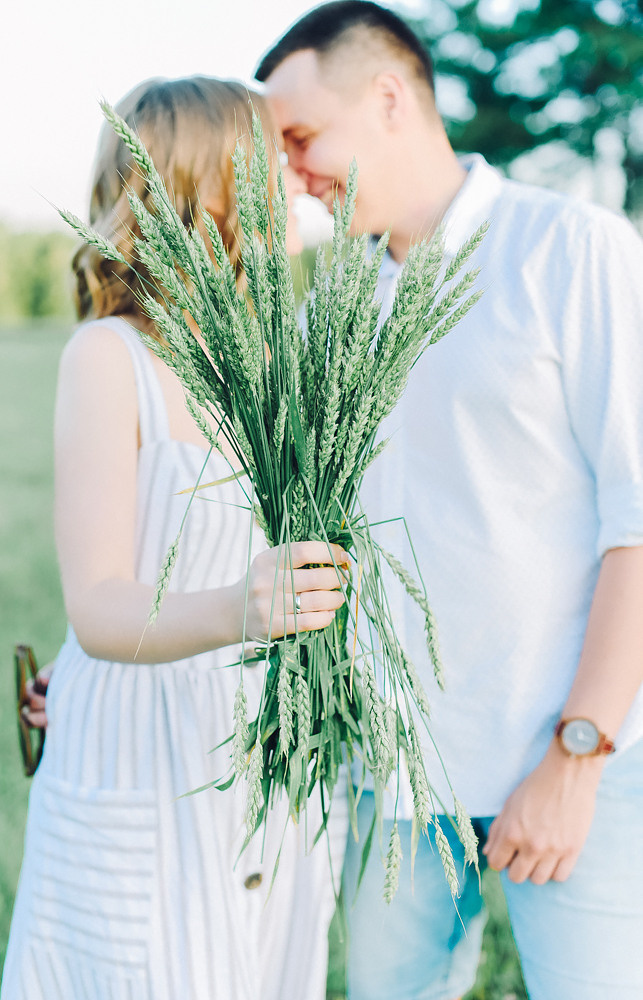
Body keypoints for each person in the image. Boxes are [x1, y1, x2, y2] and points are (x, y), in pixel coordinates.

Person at [255, 4, 643, 1000]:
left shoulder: (571, 248)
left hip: (579, 761)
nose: (291, 173)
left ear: (388, 96)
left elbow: (637, 524)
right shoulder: (329, 302)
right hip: (396, 779)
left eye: (300, 138)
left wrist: (576, 757)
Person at [2, 75, 349, 1000]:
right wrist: (244, 608)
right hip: (142, 750)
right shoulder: (110, 358)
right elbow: (102, 608)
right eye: (267, 159)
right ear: (212, 179)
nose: (290, 178)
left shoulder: (288, 356)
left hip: (267, 756)